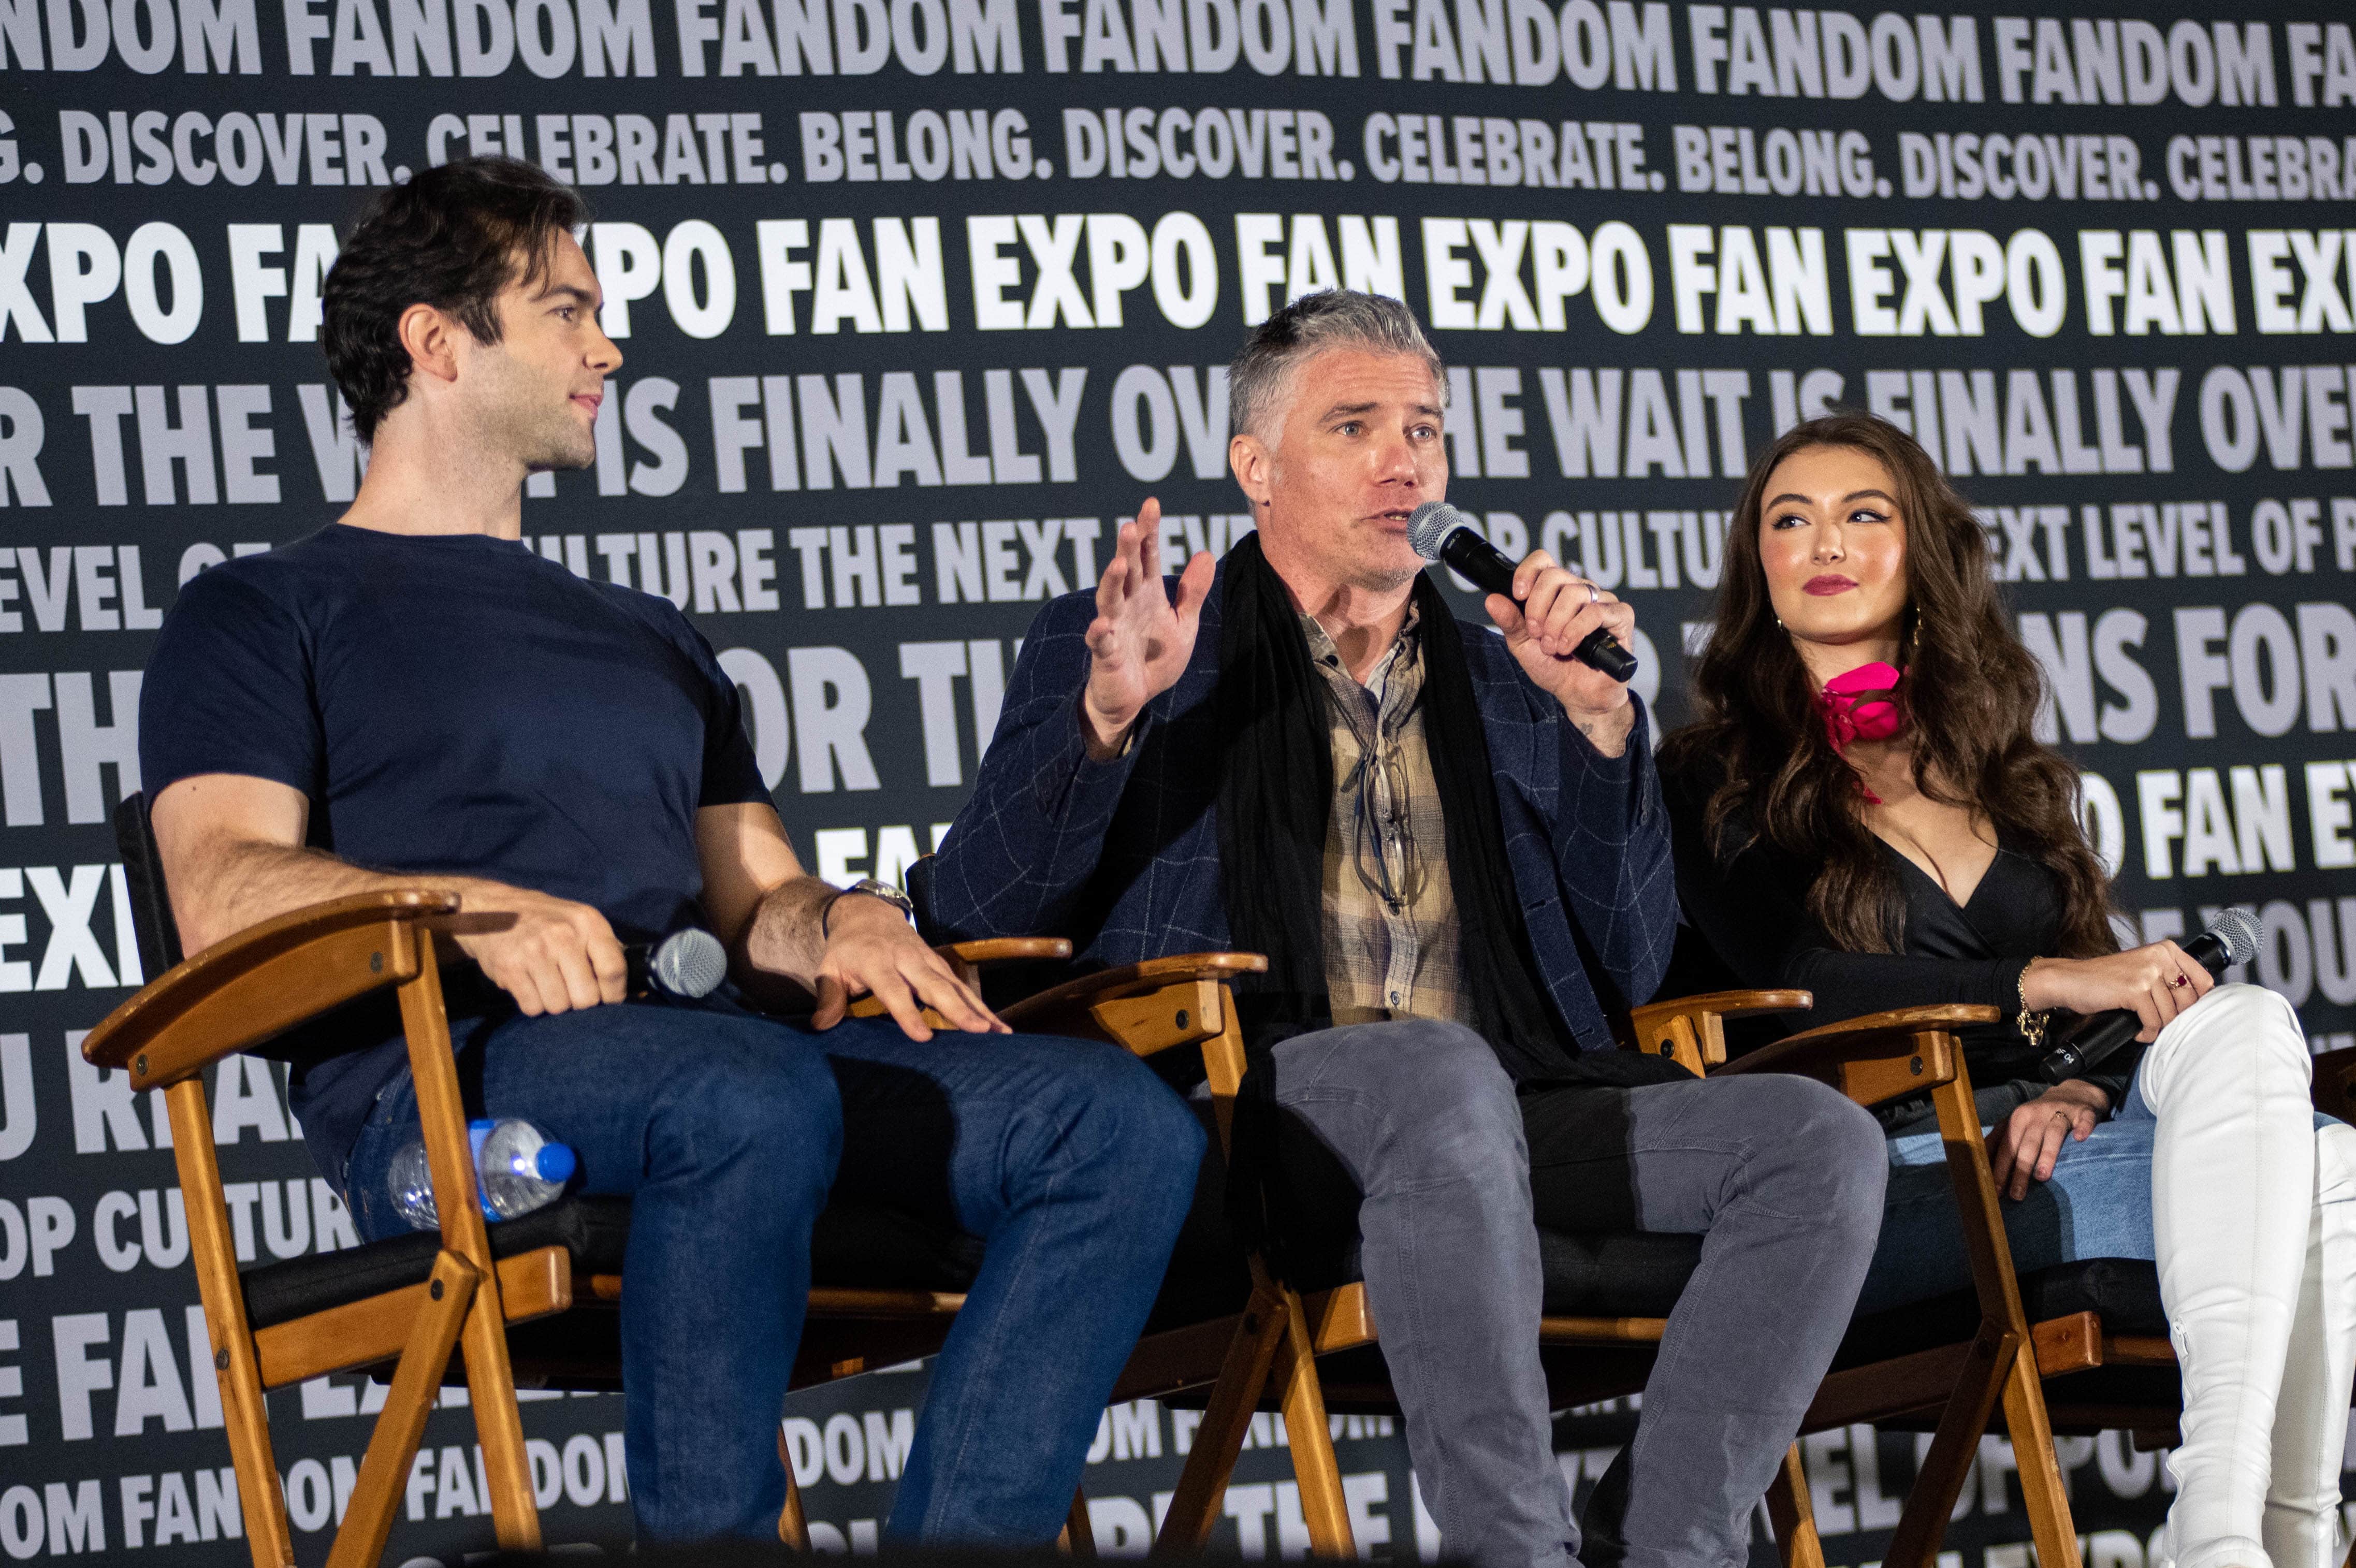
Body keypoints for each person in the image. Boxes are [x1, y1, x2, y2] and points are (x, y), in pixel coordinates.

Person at [136, 157, 1202, 1546]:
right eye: (567, 309)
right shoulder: (260, 610)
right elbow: (219, 890)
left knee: (1113, 1126)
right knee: (744, 1096)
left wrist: (845, 920)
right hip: (456, 1089)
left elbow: (758, 896)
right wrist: (469, 912)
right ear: (435, 339)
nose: (609, 346)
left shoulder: (652, 635)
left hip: (722, 1057)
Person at [925, 289, 1888, 1568]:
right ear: (1255, 468)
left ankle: (1676, 1543)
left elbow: (1631, 961)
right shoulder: (1147, 641)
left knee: (1816, 1140)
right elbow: (986, 911)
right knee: (1436, 1072)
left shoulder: (1516, 670)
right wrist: (1105, 717)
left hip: (1512, 1107)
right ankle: (1516, 1550)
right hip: (1258, 1111)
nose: (1405, 461)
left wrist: (1603, 733)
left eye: (1425, 429)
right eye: (1356, 426)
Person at [1660, 411, 2356, 1568]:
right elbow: (1796, 982)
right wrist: (2049, 978)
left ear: (1922, 549)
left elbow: (2113, 1023)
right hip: (1885, 1172)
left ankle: (2230, 1525)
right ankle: (2266, 1529)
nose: (1824, 540)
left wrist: (2076, 1094)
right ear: (1759, 569)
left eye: (1862, 514)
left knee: (2248, 1027)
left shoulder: (2013, 779)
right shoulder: (1708, 776)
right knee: (2327, 1168)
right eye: (1790, 519)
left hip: (2060, 1140)